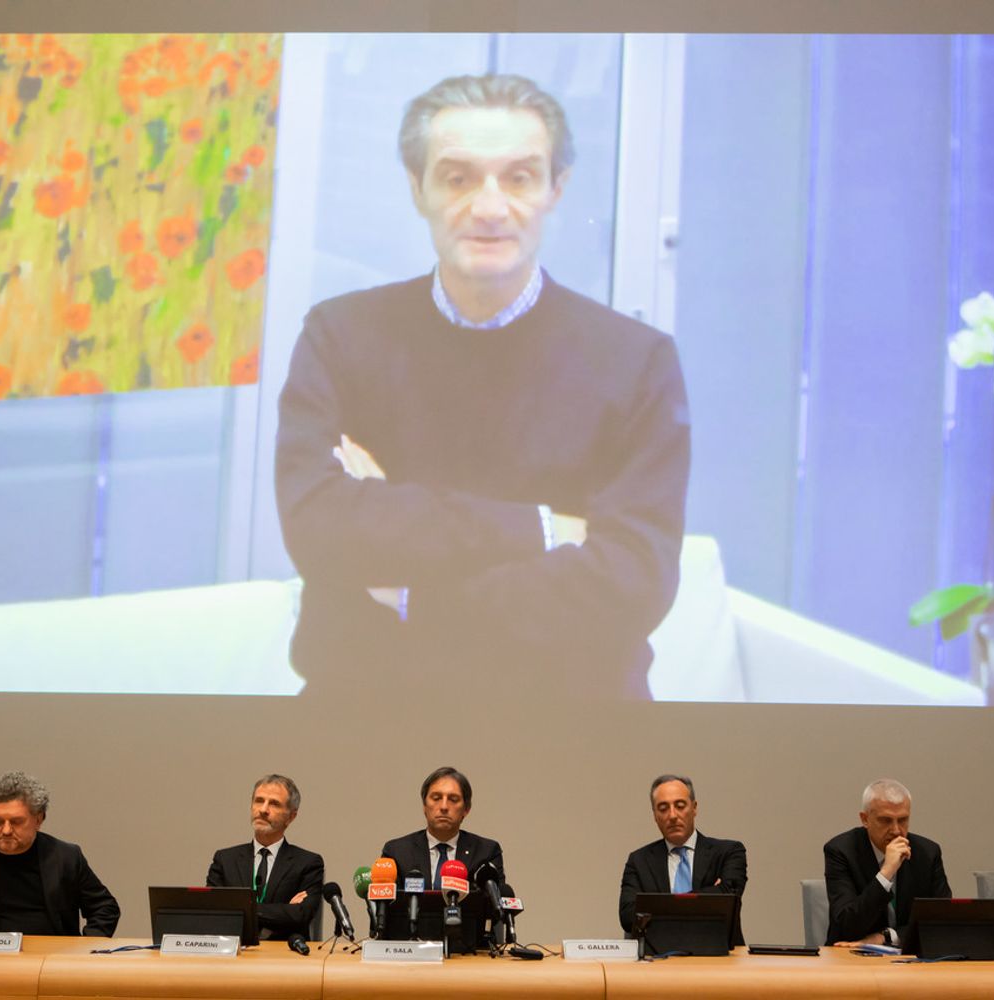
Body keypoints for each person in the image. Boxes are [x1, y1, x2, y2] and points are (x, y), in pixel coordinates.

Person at [274, 73, 690, 700]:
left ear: (556, 189)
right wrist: (544, 531)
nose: (490, 208)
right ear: (417, 188)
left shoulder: (637, 363)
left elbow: (632, 584)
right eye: (458, 177)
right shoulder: (340, 337)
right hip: (365, 712)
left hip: (570, 724)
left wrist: (411, 594)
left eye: (519, 178)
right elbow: (320, 531)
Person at [0, 771, 119, 936]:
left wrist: (84, 950)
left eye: (16, 822)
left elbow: (105, 908)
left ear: (38, 820)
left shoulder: (66, 857)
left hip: (52, 959)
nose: (6, 830)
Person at [823, 778, 950, 946]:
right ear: (865, 819)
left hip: (910, 956)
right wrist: (886, 873)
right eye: (886, 820)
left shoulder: (927, 853)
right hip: (850, 954)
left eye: (903, 820)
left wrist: (886, 937)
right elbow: (846, 925)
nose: (896, 830)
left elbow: (942, 922)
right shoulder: (841, 851)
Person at [617, 774, 747, 934]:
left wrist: (655, 905)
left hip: (718, 948)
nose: (672, 815)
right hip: (659, 948)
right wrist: (711, 894)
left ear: (694, 808)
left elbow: (729, 895)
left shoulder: (729, 852)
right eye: (663, 808)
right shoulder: (639, 861)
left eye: (680, 806)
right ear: (655, 815)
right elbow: (628, 916)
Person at [206, 774, 324, 940]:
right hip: (234, 951)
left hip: (284, 954)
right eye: (259, 801)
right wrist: (283, 909)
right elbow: (213, 910)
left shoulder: (308, 863)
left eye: (274, 804)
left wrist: (238, 908)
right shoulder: (225, 860)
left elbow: (300, 915)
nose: (263, 810)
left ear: (291, 816)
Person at [379, 766, 504, 886]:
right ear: (424, 806)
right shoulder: (397, 853)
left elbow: (497, 897)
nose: (444, 807)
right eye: (436, 798)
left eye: (453, 799)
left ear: (466, 809)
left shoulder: (485, 853)